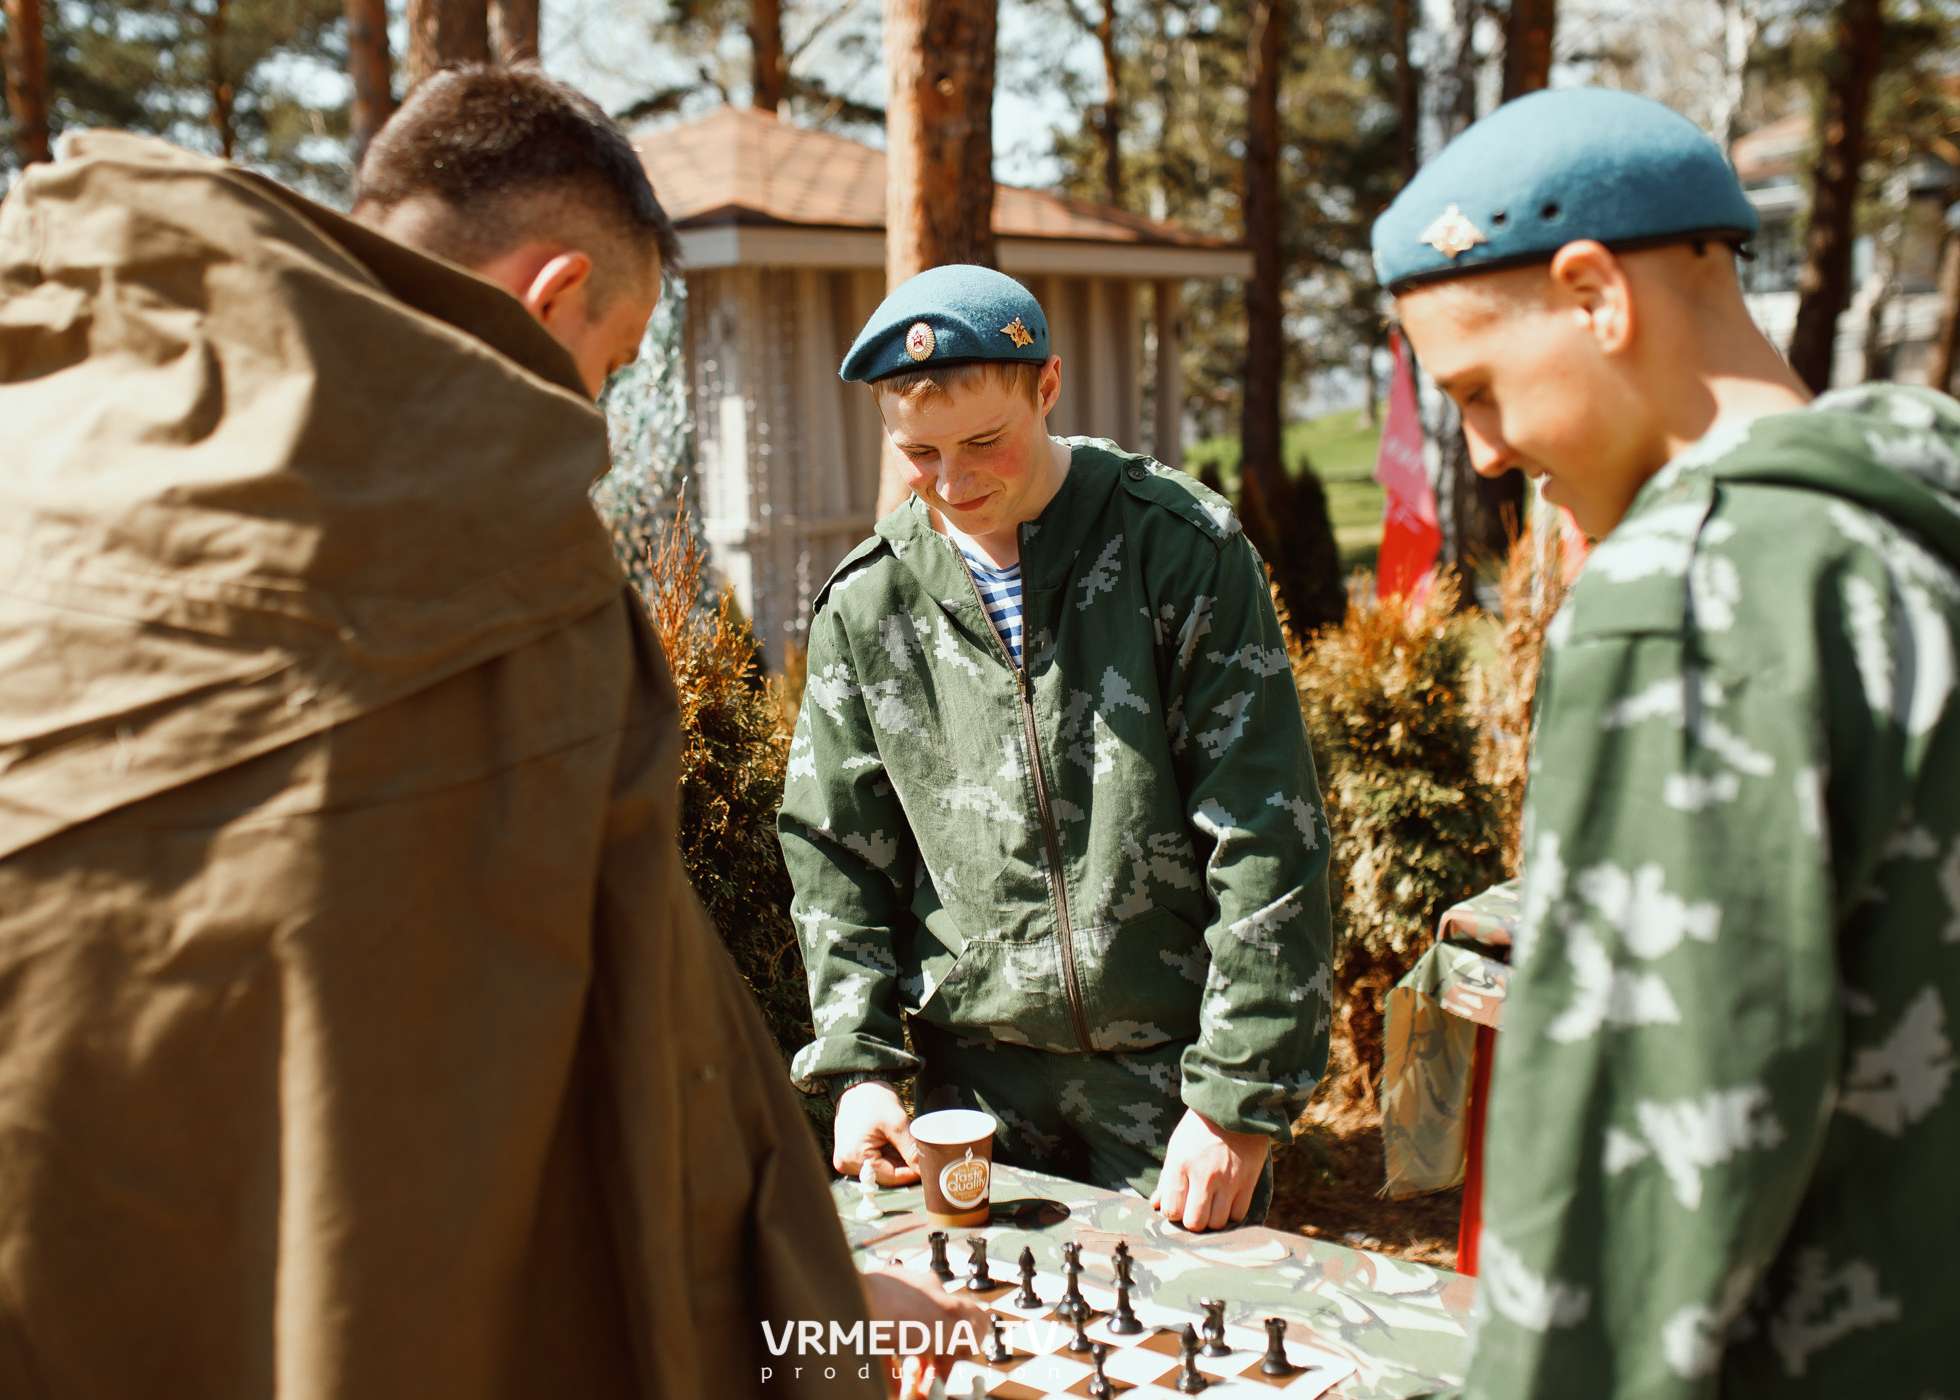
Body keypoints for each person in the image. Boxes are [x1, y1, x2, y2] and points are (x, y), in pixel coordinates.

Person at [0, 66, 974, 1399]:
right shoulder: (514, 590)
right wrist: (830, 1322)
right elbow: (661, 1151)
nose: (596, 424)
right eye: (614, 367)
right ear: (551, 294)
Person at [1375, 86, 1960, 1396]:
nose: (1483, 449)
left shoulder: (1693, 591)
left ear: (1596, 295)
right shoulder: (1915, 524)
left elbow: (1638, 1168)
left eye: (1478, 388)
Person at [780, 264, 1333, 1233]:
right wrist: (859, 1068)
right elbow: (836, 853)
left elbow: (1265, 825)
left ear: (1048, 386)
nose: (954, 484)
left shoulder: (1180, 550)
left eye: (983, 442)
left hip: (1172, 1087)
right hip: (967, 1097)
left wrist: (1237, 1097)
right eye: (919, 453)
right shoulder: (869, 604)